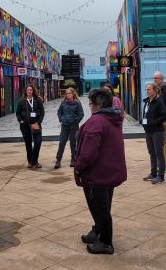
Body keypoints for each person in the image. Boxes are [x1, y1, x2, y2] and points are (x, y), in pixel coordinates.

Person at [74, 88, 127, 255]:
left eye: (90, 103)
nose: (89, 106)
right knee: (103, 205)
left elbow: (88, 154)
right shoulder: (113, 117)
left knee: (99, 208)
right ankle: (97, 230)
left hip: (97, 173)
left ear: (99, 104)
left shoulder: (97, 122)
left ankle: (105, 242)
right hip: (109, 170)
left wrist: (78, 168)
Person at [142, 83, 166, 184]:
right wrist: (143, 121)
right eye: (146, 89)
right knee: (151, 152)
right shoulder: (147, 101)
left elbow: (165, 115)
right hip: (148, 131)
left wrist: (154, 122)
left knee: (159, 153)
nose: (147, 91)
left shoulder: (159, 102)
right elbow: (146, 114)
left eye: (149, 89)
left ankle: (160, 176)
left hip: (157, 131)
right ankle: (153, 173)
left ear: (155, 90)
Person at [16, 84, 45, 169]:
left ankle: (34, 161)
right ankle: (30, 161)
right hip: (25, 125)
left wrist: (38, 122)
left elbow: (42, 112)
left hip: (36, 124)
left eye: (31, 90)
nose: (29, 91)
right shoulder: (22, 101)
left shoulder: (38, 100)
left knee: (38, 141)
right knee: (28, 144)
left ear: (33, 91)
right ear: (26, 91)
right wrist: (20, 120)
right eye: (28, 90)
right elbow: (18, 112)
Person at [55, 87, 84, 169]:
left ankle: (73, 160)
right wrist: (61, 119)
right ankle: (58, 160)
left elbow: (81, 114)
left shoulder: (77, 103)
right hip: (64, 126)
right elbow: (59, 112)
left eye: (69, 93)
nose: (68, 95)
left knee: (73, 143)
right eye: (67, 93)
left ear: (73, 94)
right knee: (62, 143)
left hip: (73, 126)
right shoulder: (63, 103)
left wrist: (76, 121)